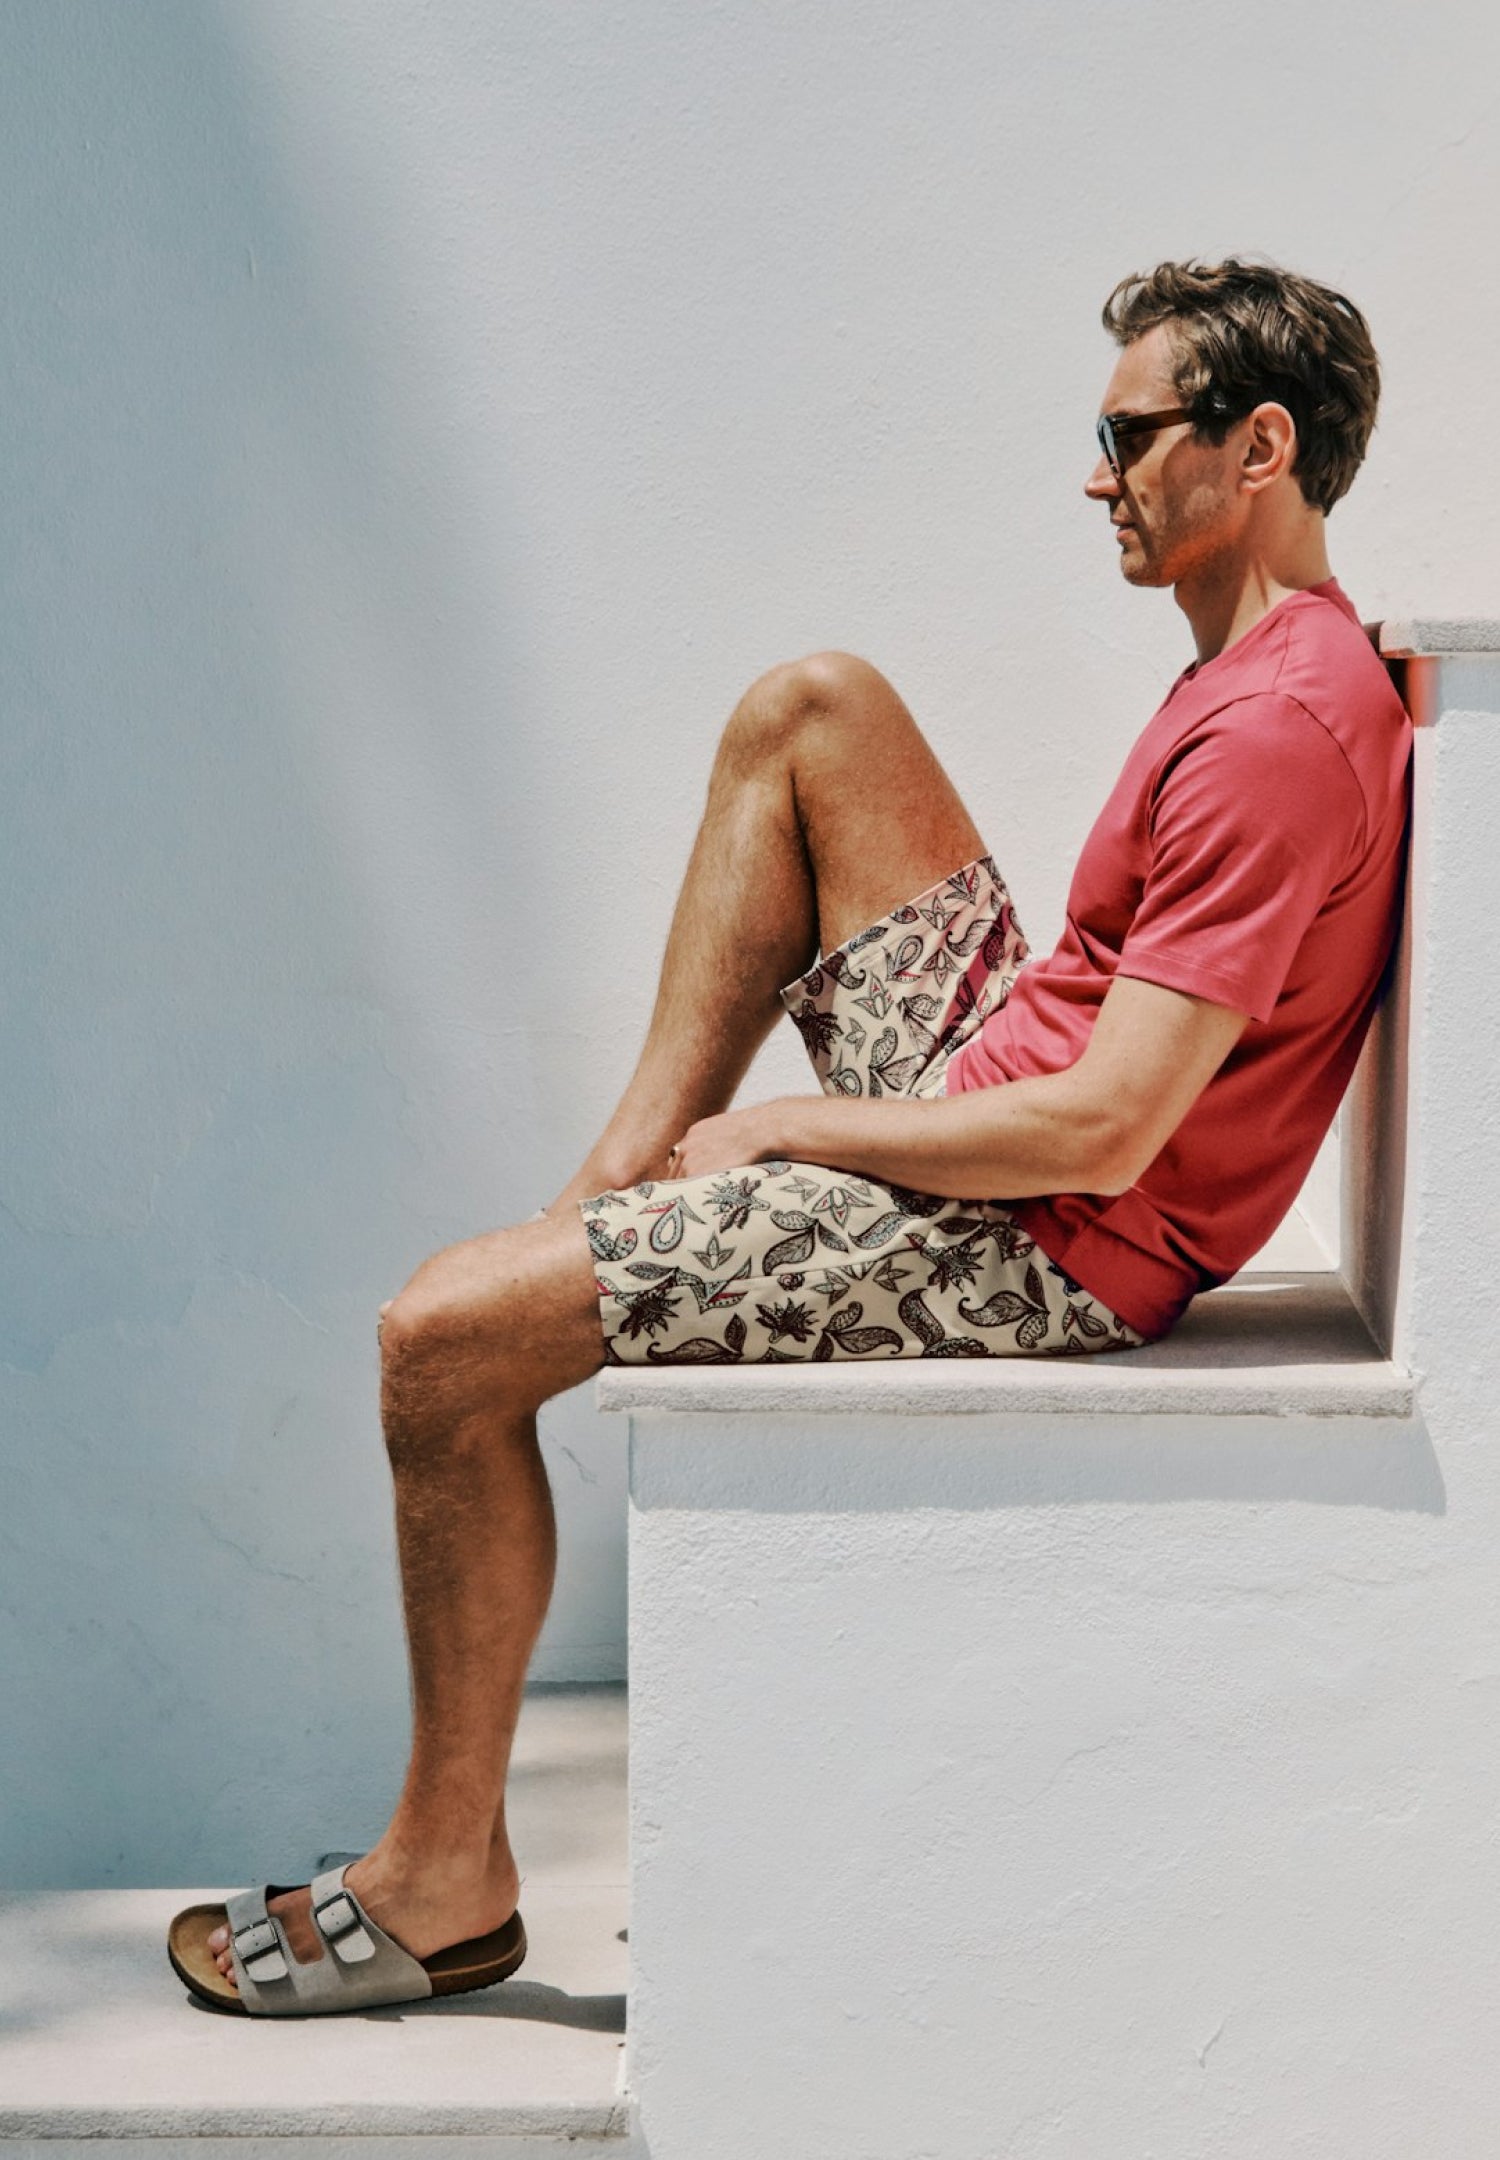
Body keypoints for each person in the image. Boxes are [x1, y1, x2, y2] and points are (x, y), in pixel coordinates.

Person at [167, 257, 1411, 2015]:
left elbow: (1119, 1131)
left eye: (1129, 437)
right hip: (1000, 1094)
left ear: (1257, 447)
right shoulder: (1266, 668)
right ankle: (603, 1221)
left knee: (437, 1346)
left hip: (1048, 1239)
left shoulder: (1280, 731)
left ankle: (443, 1880)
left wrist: (788, 1135)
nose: (1097, 475)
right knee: (810, 706)